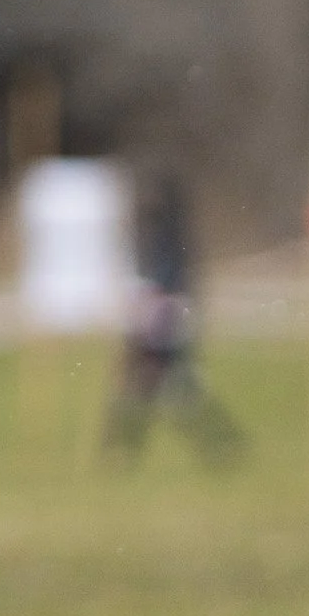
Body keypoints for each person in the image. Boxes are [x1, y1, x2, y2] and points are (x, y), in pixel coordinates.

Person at [103, 167, 241, 458]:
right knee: (160, 387)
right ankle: (124, 448)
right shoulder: (171, 233)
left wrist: (144, 321)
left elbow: (161, 283)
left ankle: (123, 448)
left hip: (160, 318)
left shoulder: (162, 236)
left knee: (153, 386)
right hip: (165, 316)